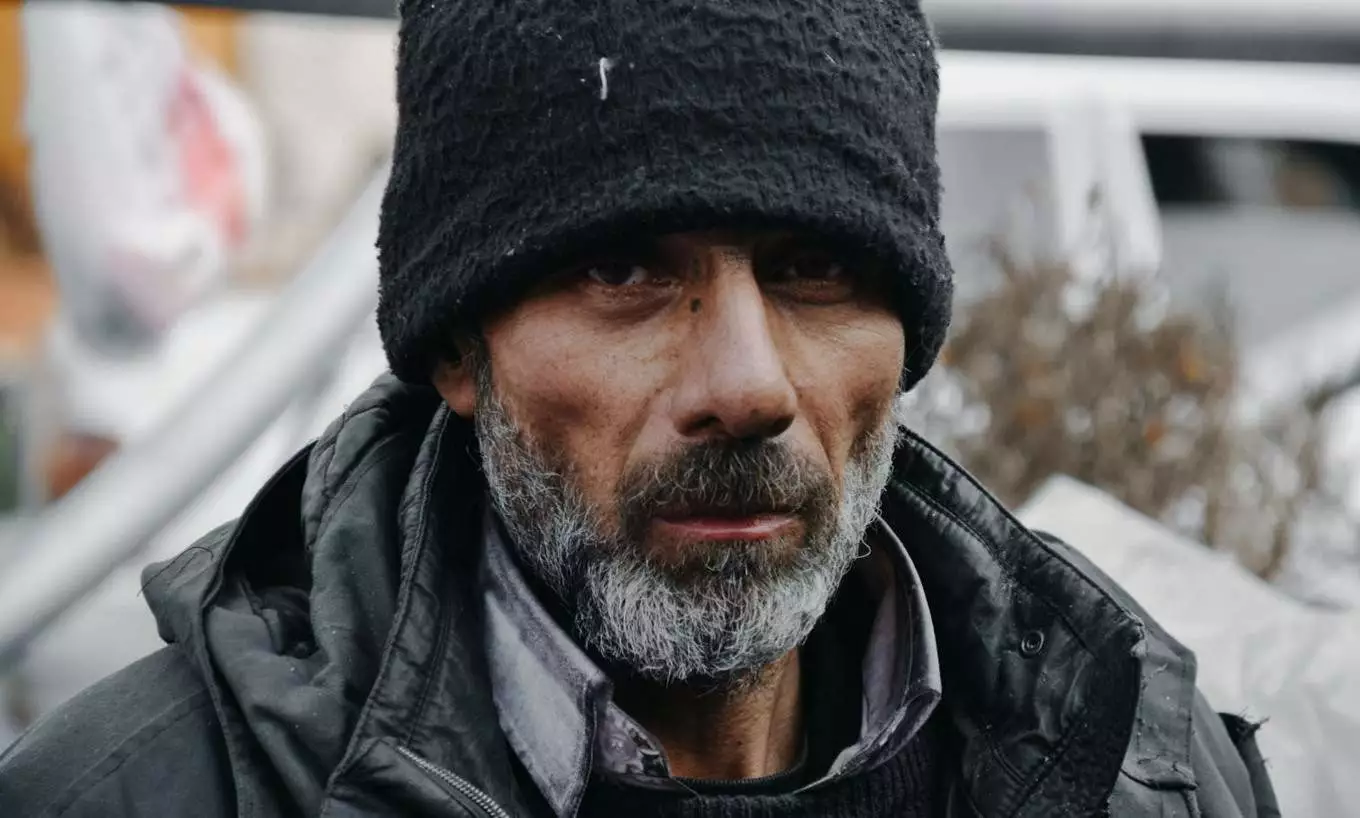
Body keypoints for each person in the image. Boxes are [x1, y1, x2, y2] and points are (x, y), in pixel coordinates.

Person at [0, 1, 1279, 815]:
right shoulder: (135, 793)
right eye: (623, 271)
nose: (747, 388)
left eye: (816, 268)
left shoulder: (1138, 764)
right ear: (458, 347)